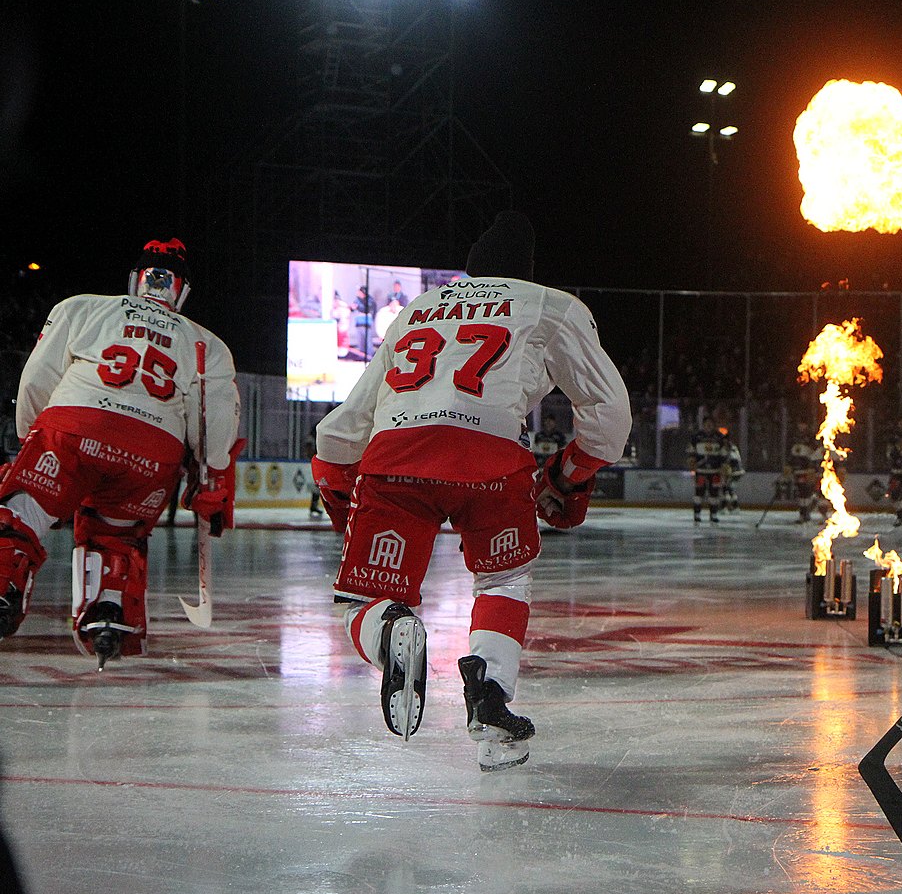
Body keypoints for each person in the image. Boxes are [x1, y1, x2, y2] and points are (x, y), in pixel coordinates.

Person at [312, 211, 630, 771]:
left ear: (469, 270)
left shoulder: (417, 308)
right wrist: (566, 473)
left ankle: (391, 633)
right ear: (526, 271)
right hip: (492, 459)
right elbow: (610, 413)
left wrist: (337, 485)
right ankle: (490, 699)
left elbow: (343, 428)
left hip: (396, 456)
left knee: (362, 602)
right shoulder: (549, 304)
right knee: (504, 578)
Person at [0, 239, 241, 667]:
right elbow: (214, 422)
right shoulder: (207, 343)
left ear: (135, 280)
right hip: (151, 453)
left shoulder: (82, 307)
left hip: (74, 428)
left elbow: (37, 378)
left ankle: (3, 581)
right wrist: (212, 473)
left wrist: (29, 436)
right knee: (116, 536)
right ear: (182, 292)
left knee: (21, 512)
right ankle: (109, 615)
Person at [685, 415, 731, 524]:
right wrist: (691, 460)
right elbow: (691, 451)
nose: (709, 426)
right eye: (707, 424)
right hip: (700, 470)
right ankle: (697, 515)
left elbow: (724, 452)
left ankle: (713, 515)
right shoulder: (697, 437)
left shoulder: (720, 437)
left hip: (715, 471)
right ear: (703, 425)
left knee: (714, 494)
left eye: (711, 424)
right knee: (699, 493)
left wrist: (724, 464)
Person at [786, 420, 824, 524]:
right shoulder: (794, 437)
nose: (801, 425)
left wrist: (813, 467)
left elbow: (817, 453)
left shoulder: (812, 437)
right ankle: (803, 514)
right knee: (801, 492)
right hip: (798, 469)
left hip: (808, 470)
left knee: (809, 491)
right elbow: (791, 452)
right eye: (800, 423)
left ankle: (813, 511)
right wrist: (788, 465)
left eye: (803, 423)